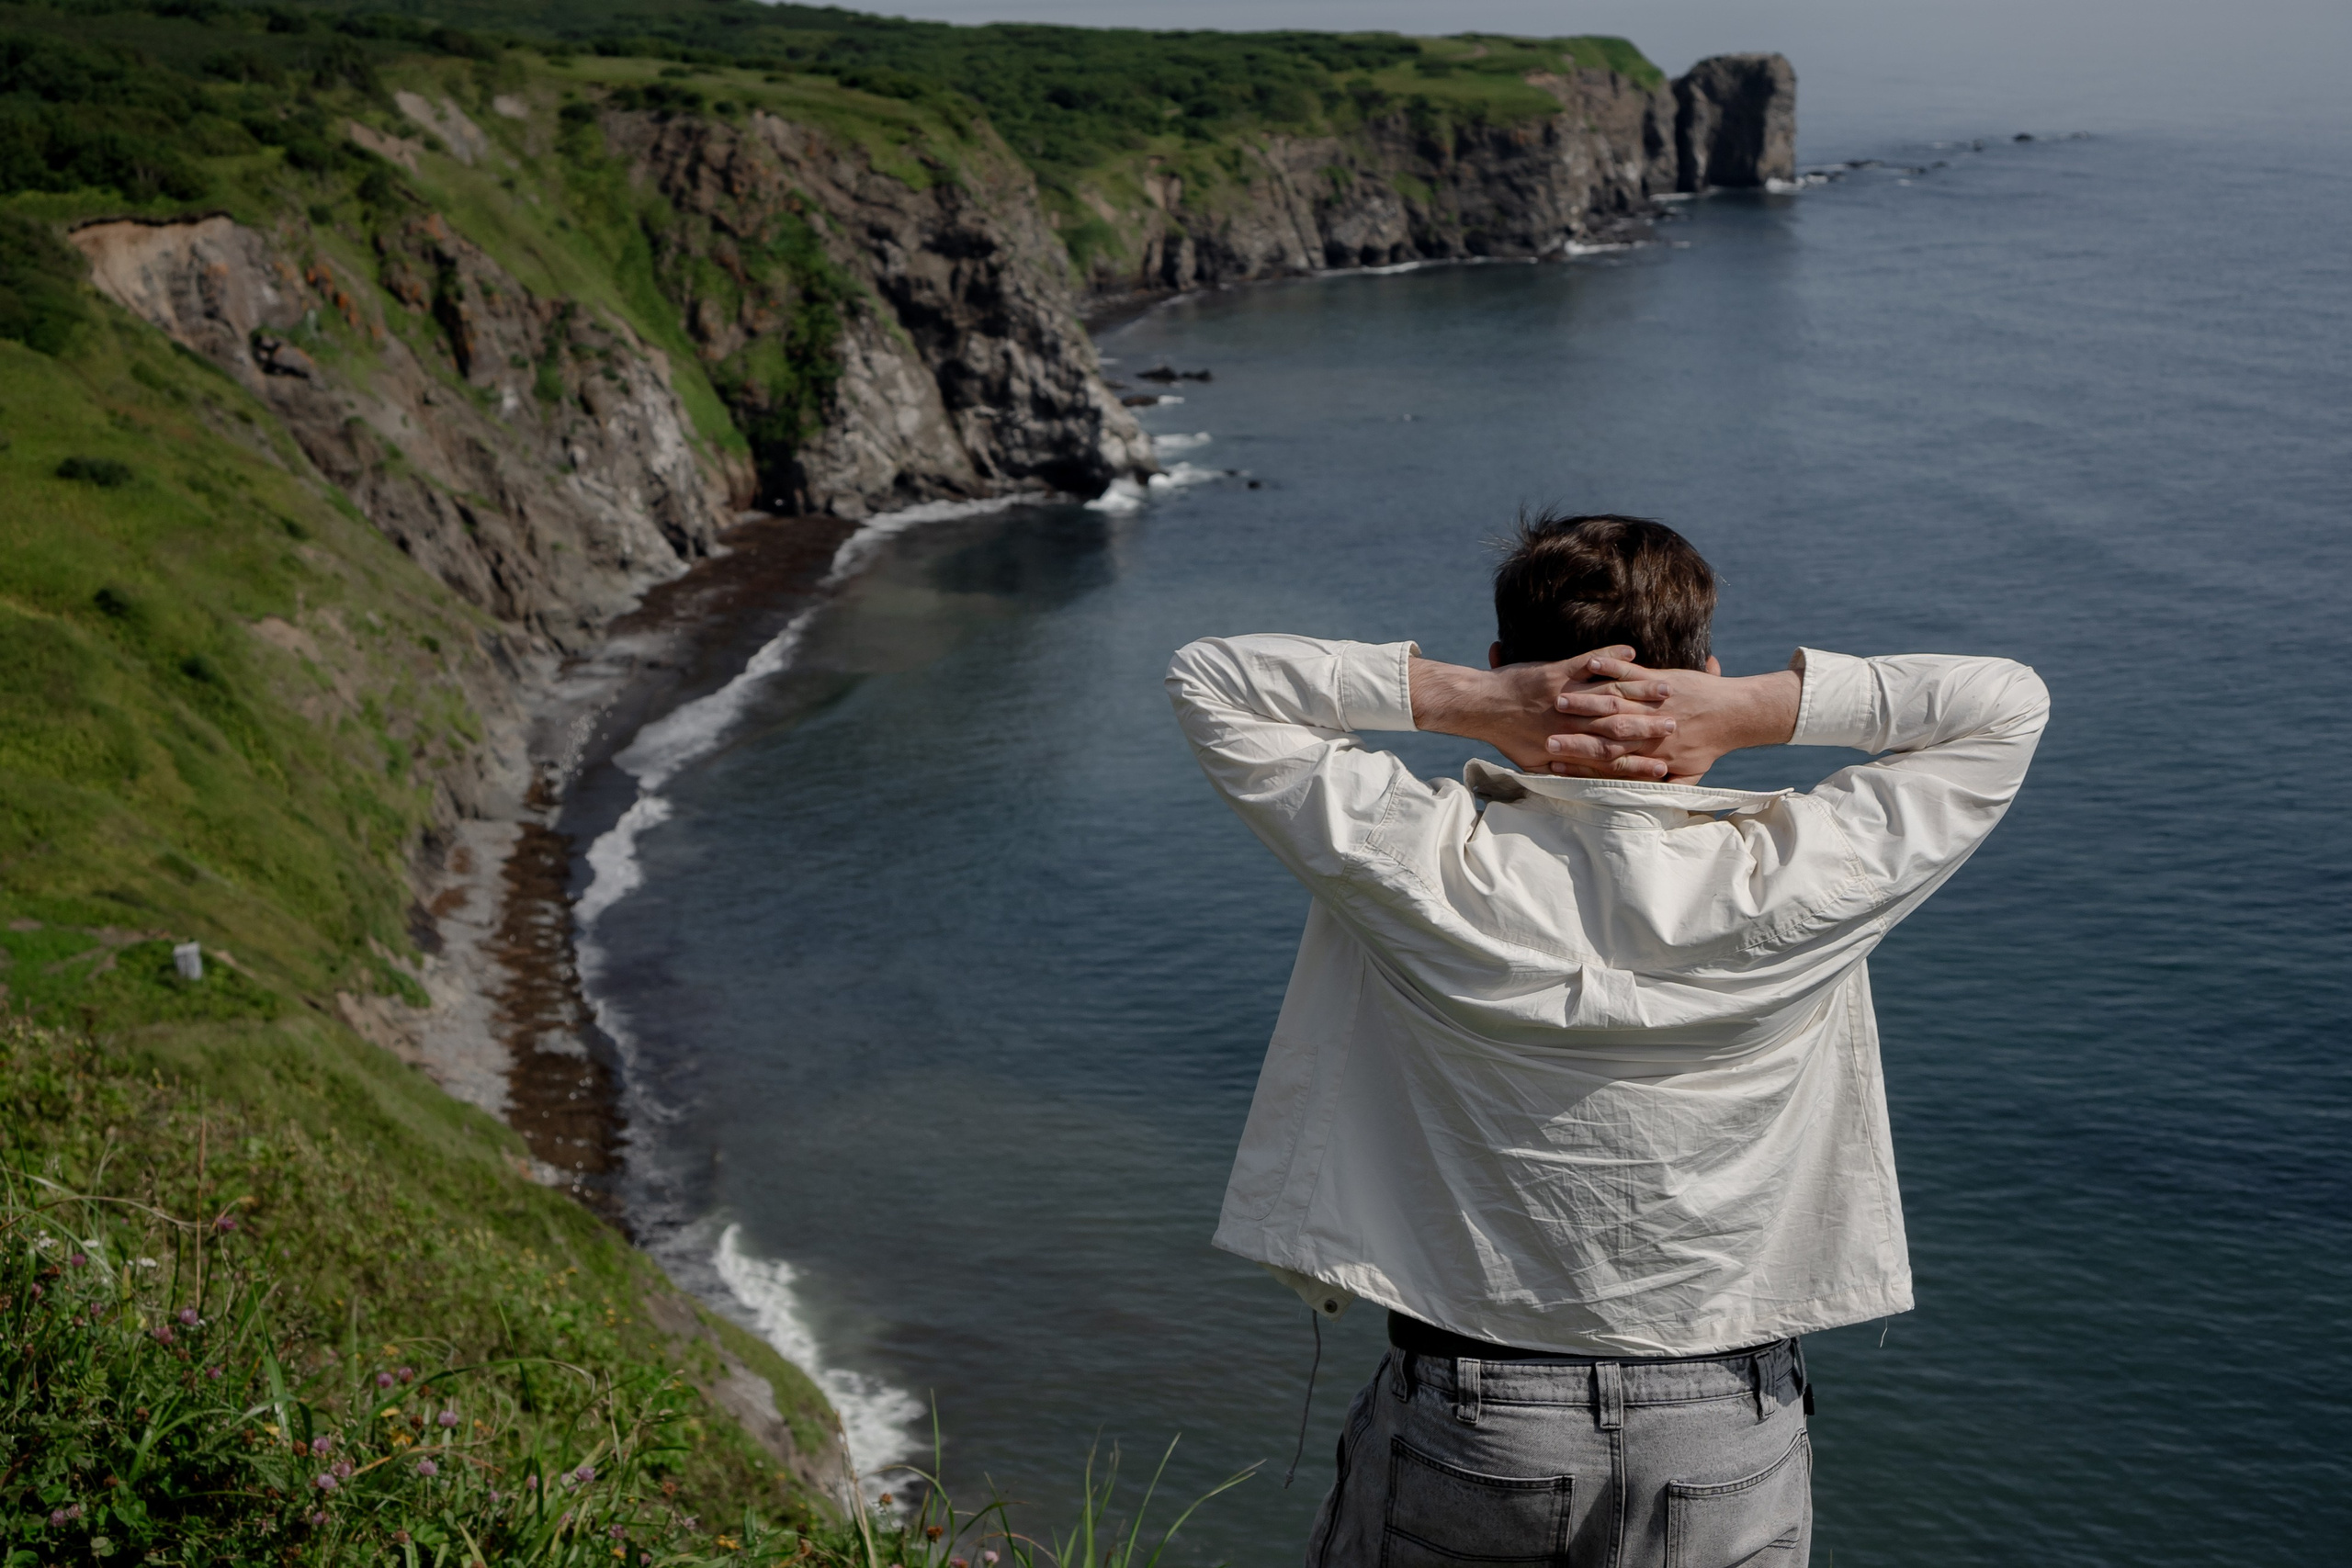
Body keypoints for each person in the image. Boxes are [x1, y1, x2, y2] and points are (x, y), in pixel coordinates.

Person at [1164, 512, 2048, 1567]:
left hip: (1475, 1406)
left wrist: (1474, 704)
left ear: (1507, 666)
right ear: (1705, 672)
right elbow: (2003, 704)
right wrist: (1753, 711)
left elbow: (1214, 677)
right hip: (1729, 1415)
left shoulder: (1421, 859)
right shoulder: (1808, 869)